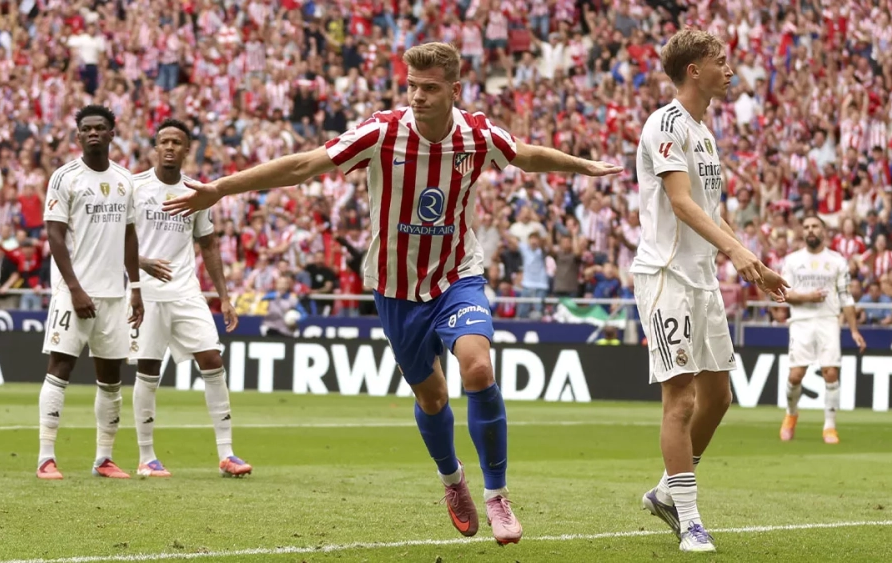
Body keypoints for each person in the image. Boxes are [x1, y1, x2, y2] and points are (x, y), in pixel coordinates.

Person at [163, 42, 622, 545]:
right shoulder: (381, 132)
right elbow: (304, 166)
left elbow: (527, 156)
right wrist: (220, 189)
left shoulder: (477, 133)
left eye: (429, 87)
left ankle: (497, 495)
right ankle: (453, 481)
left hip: (456, 275)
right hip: (395, 287)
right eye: (412, 86)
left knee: (478, 366)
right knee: (433, 398)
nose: (418, 96)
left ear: (455, 89)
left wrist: (582, 165)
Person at [629, 29, 788, 552]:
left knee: (718, 396)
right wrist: (737, 254)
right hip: (666, 275)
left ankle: (666, 491)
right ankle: (690, 518)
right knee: (680, 399)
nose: (729, 68)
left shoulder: (705, 131)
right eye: (719, 60)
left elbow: (711, 214)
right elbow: (681, 203)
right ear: (694, 70)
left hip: (702, 278)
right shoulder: (666, 124)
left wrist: (753, 261)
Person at [129, 119, 252, 478]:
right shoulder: (134, 188)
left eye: (176, 142)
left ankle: (227, 454)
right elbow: (112, 239)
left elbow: (209, 244)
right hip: (146, 293)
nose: (169, 147)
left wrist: (224, 297)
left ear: (187, 150)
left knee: (212, 360)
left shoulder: (197, 192)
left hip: (185, 290)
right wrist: (140, 263)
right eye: (163, 141)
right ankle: (146, 457)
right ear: (154, 147)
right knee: (148, 369)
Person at [37, 105, 144, 480]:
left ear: (113, 133)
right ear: (78, 135)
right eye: (87, 128)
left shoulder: (125, 180)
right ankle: (45, 457)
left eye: (100, 127)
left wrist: (136, 288)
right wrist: (75, 288)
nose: (94, 133)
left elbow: (130, 235)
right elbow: (54, 234)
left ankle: (104, 458)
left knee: (111, 376)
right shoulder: (64, 177)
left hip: (115, 293)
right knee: (61, 367)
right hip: (74, 292)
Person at [780, 215, 867, 444]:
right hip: (801, 322)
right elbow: (785, 294)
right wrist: (809, 296)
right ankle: (791, 414)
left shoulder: (837, 261)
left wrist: (854, 330)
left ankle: (829, 426)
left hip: (828, 320)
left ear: (824, 231)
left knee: (830, 372)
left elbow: (846, 297)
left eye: (815, 226)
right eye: (806, 226)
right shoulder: (792, 260)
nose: (810, 230)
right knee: (795, 375)